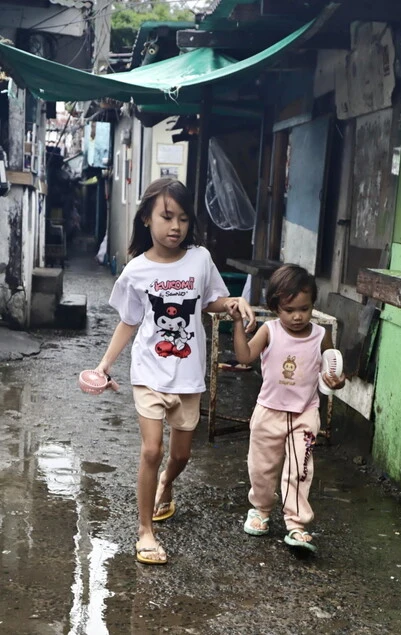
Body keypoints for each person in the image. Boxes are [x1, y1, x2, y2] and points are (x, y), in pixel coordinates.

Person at [95, 178, 255, 565]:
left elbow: (210, 301)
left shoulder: (200, 259)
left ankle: (166, 483)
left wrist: (232, 303)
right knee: (153, 449)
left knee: (181, 456)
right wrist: (104, 364)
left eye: (183, 218)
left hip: (188, 375)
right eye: (167, 217)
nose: (175, 226)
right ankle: (145, 531)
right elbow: (130, 321)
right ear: (146, 218)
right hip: (149, 372)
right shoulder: (136, 270)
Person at [232, 264, 344, 553]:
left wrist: (337, 380)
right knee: (261, 466)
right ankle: (261, 510)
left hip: (305, 413)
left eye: (304, 309)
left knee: (299, 469)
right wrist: (237, 324)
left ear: (313, 305)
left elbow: (331, 371)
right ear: (275, 308)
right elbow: (244, 356)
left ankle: (296, 524)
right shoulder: (269, 331)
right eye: (289, 309)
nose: (297, 316)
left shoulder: (321, 335)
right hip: (268, 411)